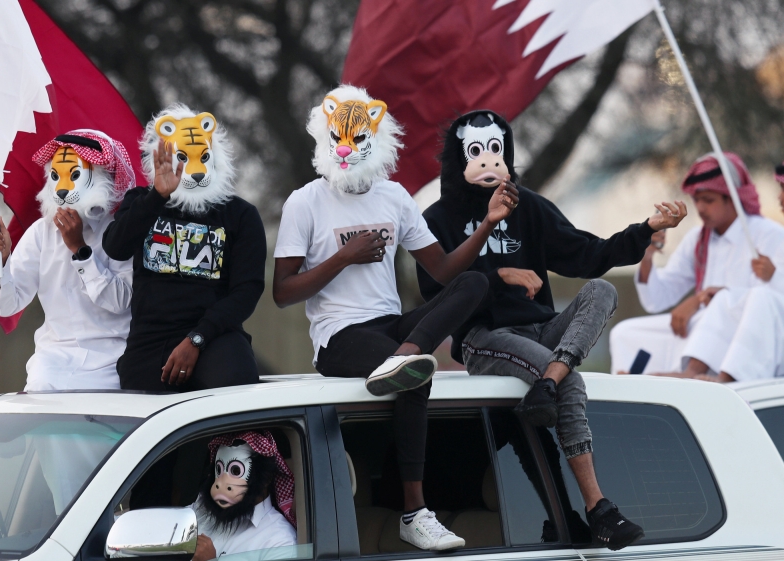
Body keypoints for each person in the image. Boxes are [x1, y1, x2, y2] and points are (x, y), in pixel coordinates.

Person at [417, 110, 685, 551]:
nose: (489, 160)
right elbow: (435, 287)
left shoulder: (530, 207)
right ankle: (598, 507)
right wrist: (499, 273)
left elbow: (588, 256)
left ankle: (548, 383)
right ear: (457, 158)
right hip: (484, 338)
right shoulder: (437, 218)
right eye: (477, 151)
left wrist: (647, 229)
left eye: (496, 149)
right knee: (567, 378)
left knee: (600, 291)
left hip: (541, 329)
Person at [273, 86, 518, 551]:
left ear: (376, 138)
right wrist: (343, 257)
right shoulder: (305, 202)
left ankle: (407, 353)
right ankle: (414, 513)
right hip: (340, 336)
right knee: (413, 377)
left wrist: (487, 224)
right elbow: (283, 292)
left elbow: (444, 270)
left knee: (475, 283)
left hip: (393, 328)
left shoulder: (395, 197)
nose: (344, 148)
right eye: (335, 139)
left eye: (354, 138)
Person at [102, 104, 266, 392]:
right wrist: (157, 197)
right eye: (183, 158)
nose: (196, 170)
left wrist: (197, 338)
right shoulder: (142, 201)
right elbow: (116, 247)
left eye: (202, 157)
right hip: (150, 341)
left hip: (215, 337)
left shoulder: (240, 215)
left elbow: (248, 290)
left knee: (236, 392)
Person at [609, 152, 784, 374]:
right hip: (701, 327)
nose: (701, 208)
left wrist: (698, 300)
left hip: (741, 334)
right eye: (697, 200)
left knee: (710, 316)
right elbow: (657, 300)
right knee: (625, 333)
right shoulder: (697, 239)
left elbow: (772, 299)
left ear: (732, 198)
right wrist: (647, 257)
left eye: (709, 200)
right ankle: (634, 389)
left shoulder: (767, 235)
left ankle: (683, 375)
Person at [0, 129, 135, 391]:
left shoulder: (121, 230)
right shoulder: (41, 233)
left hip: (111, 363)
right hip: (52, 364)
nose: (63, 188)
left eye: (75, 176)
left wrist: (80, 250)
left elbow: (119, 302)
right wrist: (4, 261)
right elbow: (7, 305)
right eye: (56, 176)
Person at [654, 151, 784, 382]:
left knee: (760, 297)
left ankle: (728, 379)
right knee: (727, 299)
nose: (779, 199)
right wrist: (726, 294)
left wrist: (775, 277)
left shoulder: (776, 234)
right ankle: (693, 371)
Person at [191, 431, 297, 561]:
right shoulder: (201, 511)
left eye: (236, 471)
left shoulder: (279, 540)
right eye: (219, 470)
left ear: (266, 479)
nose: (221, 483)